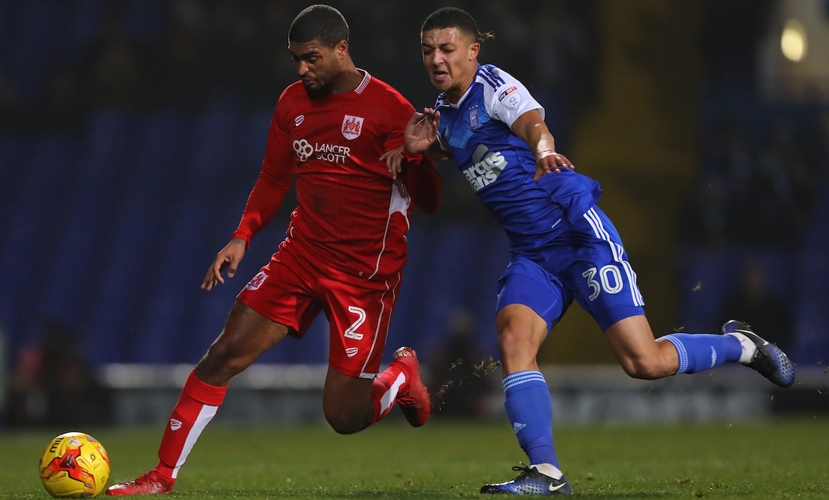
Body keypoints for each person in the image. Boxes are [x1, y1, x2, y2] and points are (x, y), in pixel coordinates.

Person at [402, 7, 795, 496]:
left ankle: (743, 345)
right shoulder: (447, 111)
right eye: (427, 50)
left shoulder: (494, 86)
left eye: (447, 48)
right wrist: (429, 147)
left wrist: (544, 149)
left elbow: (530, 122)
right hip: (532, 255)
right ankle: (546, 473)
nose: (436, 59)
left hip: (577, 235)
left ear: (473, 50)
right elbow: (475, 146)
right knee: (513, 342)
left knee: (644, 362)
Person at [106, 5, 441, 496]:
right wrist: (242, 235)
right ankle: (161, 477)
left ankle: (400, 375)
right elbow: (273, 176)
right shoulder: (292, 104)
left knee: (343, 416)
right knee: (221, 356)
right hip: (300, 257)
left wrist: (416, 156)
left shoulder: (391, 109)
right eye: (296, 59)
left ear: (342, 50)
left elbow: (429, 201)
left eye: (311, 58)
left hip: (364, 277)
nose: (301, 69)